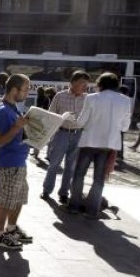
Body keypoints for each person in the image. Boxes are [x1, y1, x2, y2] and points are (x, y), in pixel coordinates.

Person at [65, 72, 131, 218]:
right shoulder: (126, 101)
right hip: (108, 144)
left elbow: (81, 122)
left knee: (79, 175)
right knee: (99, 179)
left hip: (89, 141)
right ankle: (92, 210)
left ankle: (74, 206)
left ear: (100, 84)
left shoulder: (92, 98)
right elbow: (125, 127)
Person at [0, 73, 32, 250]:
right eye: (26, 89)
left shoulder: (13, 108)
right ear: (14, 89)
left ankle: (11, 229)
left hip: (19, 161)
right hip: (9, 162)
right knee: (6, 201)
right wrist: (17, 127)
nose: (28, 92)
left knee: (18, 199)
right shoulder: (2, 110)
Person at [40, 70, 90, 204]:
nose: (85, 87)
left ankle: (63, 193)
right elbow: (50, 115)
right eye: (82, 83)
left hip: (78, 134)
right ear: (72, 83)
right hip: (61, 133)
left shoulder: (87, 98)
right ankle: (47, 190)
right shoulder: (60, 96)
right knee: (54, 164)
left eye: (86, 84)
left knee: (71, 167)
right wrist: (63, 118)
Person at [31, 87, 52, 159]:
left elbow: (39, 107)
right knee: (41, 135)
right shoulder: (47, 98)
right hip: (45, 117)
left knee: (36, 135)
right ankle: (36, 151)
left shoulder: (40, 97)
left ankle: (35, 152)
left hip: (39, 117)